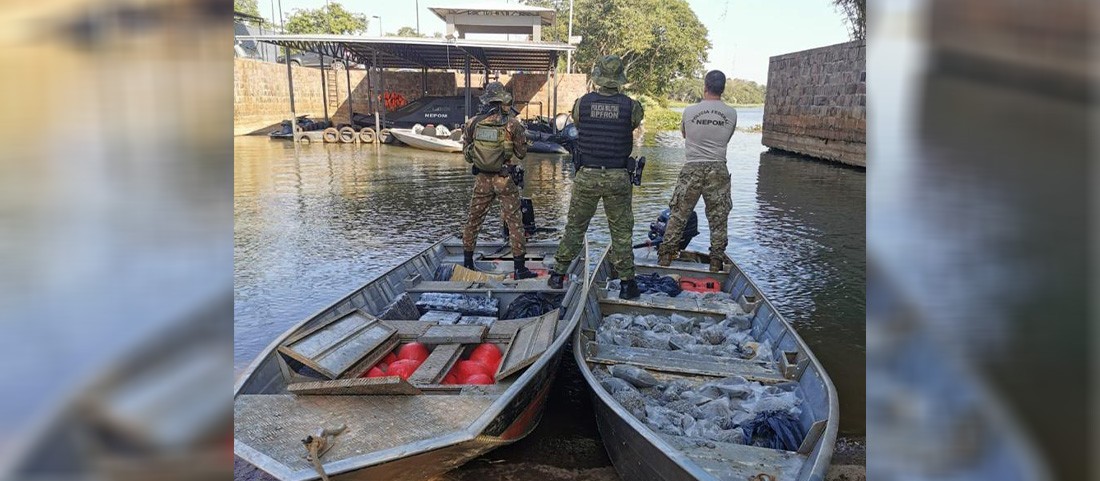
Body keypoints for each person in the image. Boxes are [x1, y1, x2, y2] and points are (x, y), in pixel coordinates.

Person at [548, 55, 645, 299]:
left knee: (575, 227)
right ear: (620, 78)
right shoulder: (631, 106)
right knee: (621, 232)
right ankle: (627, 285)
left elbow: (579, 124)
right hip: (617, 176)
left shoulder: (582, 103)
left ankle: (557, 275)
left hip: (587, 175)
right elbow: (633, 124)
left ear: (598, 77)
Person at [657, 70, 738, 272]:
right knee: (718, 218)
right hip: (718, 167)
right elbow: (725, 139)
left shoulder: (689, 111)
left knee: (678, 214)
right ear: (723, 88)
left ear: (705, 86)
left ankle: (665, 257)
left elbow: (685, 135)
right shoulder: (731, 113)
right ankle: (716, 261)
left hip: (692, 166)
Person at [460, 82, 537, 279]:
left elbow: (468, 155)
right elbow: (521, 153)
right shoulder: (512, 124)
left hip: (482, 179)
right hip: (504, 179)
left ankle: (467, 263)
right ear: (502, 101)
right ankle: (519, 269)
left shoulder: (472, 123)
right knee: (514, 222)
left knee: (474, 219)